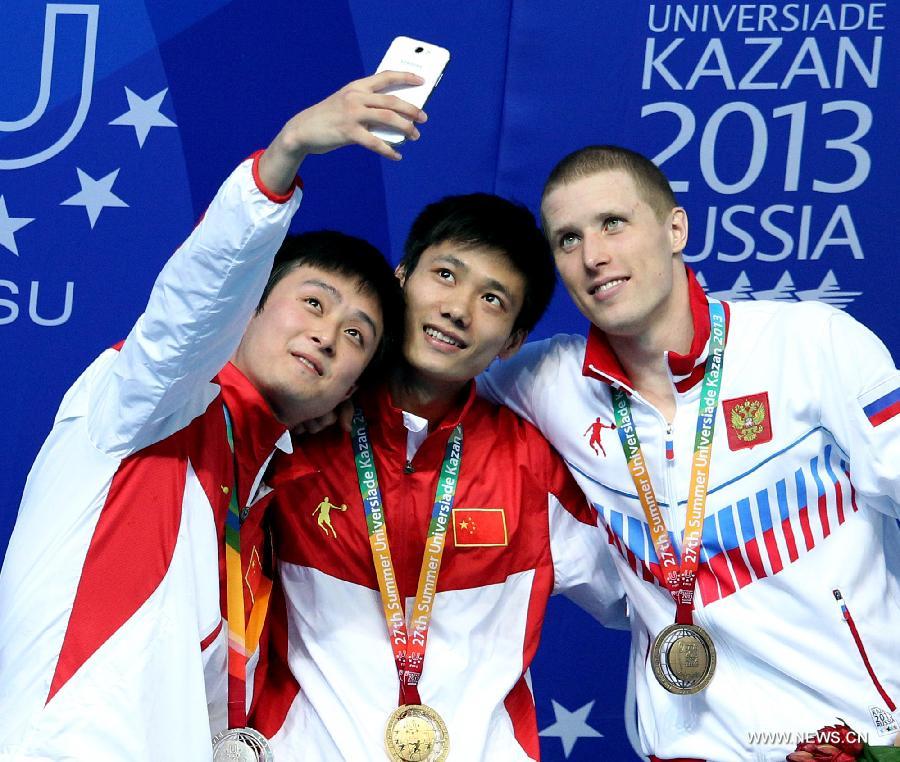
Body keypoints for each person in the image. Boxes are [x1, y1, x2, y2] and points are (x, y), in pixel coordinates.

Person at [0, 72, 424, 760]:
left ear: (348, 392)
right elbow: (186, 315)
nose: (326, 335)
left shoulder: (259, 502)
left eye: (356, 336)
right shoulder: (147, 405)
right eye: (313, 303)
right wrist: (282, 160)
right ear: (251, 304)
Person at [480, 145, 900, 761]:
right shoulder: (548, 383)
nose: (594, 256)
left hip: (854, 742)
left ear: (675, 228)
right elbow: (427, 379)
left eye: (613, 224)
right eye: (568, 239)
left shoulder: (811, 344)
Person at [247, 193, 628, 760]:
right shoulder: (295, 435)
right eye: (445, 274)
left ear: (513, 343)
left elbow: (645, 595)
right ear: (401, 280)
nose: (457, 309)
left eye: (492, 299)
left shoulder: (531, 467)